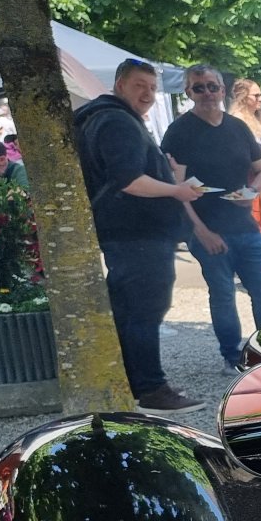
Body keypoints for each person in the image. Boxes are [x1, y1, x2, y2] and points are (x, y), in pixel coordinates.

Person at [72, 58, 205, 414]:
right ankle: (151, 389)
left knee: (129, 310)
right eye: (139, 85)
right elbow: (129, 180)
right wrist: (177, 190)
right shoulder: (117, 121)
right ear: (120, 85)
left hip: (126, 232)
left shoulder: (103, 117)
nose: (147, 94)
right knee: (143, 311)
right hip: (137, 234)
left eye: (152, 87)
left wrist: (165, 171)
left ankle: (133, 384)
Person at [162, 64, 261, 376]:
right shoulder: (178, 132)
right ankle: (232, 356)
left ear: (222, 90)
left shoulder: (238, 128)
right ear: (189, 93)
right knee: (223, 294)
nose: (207, 93)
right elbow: (176, 188)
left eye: (212, 86)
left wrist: (252, 191)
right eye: (198, 88)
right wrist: (200, 231)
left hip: (244, 225)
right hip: (207, 228)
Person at [228, 78, 261, 274]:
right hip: (246, 177)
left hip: (258, 178)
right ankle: (256, 269)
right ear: (243, 97)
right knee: (255, 223)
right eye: (255, 95)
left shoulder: (254, 119)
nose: (260, 99)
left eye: (260, 95)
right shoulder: (237, 120)